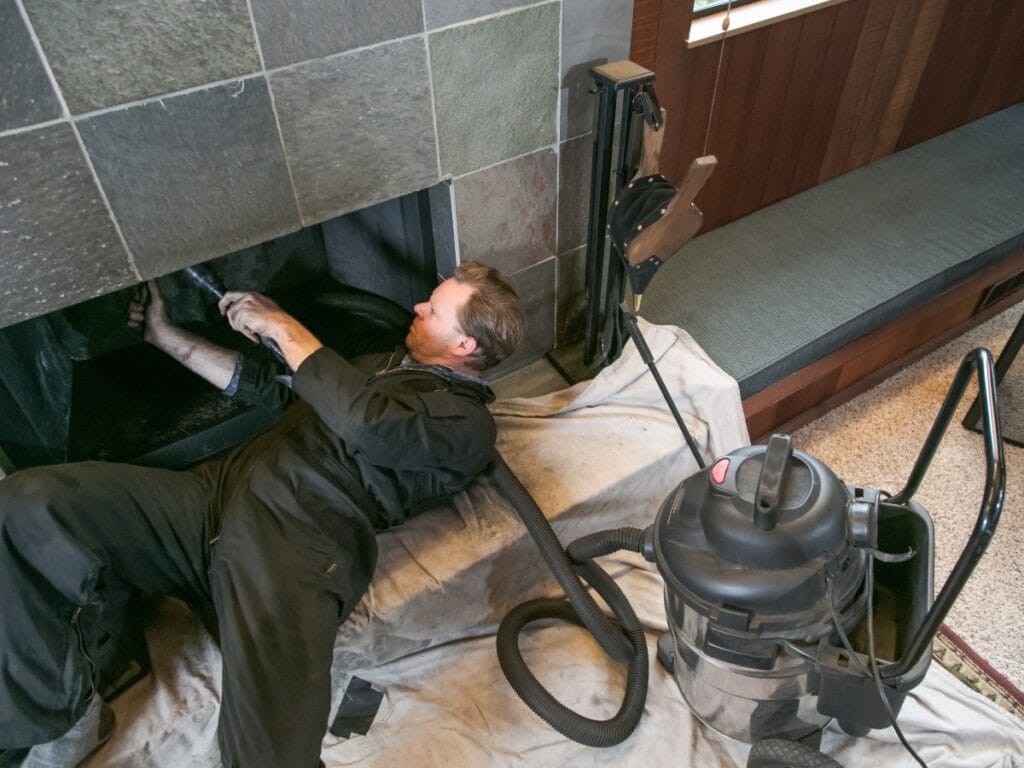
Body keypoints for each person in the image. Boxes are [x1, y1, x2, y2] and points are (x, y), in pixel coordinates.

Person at [0, 262, 526, 768]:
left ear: (466, 346)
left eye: (433, 310)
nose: (417, 306)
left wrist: (283, 325)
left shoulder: (468, 425)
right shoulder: (379, 364)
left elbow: (370, 425)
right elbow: (270, 390)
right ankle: (59, 717)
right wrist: (166, 337)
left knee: (269, 752)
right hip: (211, 500)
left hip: (293, 539)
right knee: (28, 506)